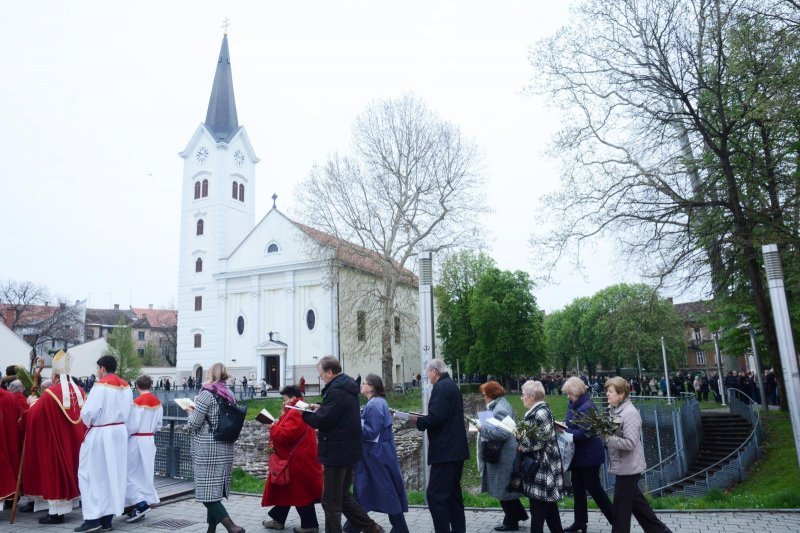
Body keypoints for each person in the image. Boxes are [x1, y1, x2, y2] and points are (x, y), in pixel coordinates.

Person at [301, 356, 384, 533]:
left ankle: (366, 528)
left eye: (321, 374)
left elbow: (324, 420)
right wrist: (321, 407)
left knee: (330, 501)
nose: (321, 378)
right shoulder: (347, 386)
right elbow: (336, 412)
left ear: (330, 373)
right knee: (343, 496)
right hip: (348, 450)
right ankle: (372, 528)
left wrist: (304, 413)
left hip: (336, 452)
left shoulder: (336, 391)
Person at [20, 351, 85, 524]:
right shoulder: (79, 391)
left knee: (55, 473)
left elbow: (33, 415)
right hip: (74, 443)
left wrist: (31, 402)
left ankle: (56, 513)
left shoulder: (51, 394)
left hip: (55, 443)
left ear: (55, 375)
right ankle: (60, 506)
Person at [604, 377, 672, 533]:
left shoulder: (630, 413)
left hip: (629, 467)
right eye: (607, 391)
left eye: (610, 391)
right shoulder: (614, 410)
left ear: (621, 394)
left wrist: (606, 438)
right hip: (622, 465)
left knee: (621, 507)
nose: (607, 394)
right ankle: (660, 531)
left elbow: (629, 443)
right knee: (637, 504)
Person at [185, 363, 245, 533]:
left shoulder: (206, 394)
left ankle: (231, 527)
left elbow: (194, 424)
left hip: (208, 447)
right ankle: (211, 529)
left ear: (210, 374)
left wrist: (190, 411)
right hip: (225, 445)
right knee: (214, 489)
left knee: (206, 492)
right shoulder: (229, 393)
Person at [411, 359, 469, 533]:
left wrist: (419, 421)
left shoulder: (441, 388)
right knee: (452, 495)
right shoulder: (451, 385)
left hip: (446, 452)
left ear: (435, 371)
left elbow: (437, 417)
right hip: (455, 450)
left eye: (428, 373)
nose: (427, 376)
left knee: (435, 496)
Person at [75, 355, 132, 532]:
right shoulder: (126, 386)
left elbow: (88, 413)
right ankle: (107, 519)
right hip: (119, 433)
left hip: (102, 432)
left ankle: (93, 518)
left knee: (91, 474)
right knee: (112, 475)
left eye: (98, 368)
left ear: (102, 368)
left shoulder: (100, 386)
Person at [345, 374, 409, 533]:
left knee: (368, 492)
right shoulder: (379, 403)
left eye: (364, 384)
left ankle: (351, 528)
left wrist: (354, 421)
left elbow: (369, 432)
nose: (361, 386)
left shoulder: (374, 405)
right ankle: (399, 528)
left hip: (374, 457)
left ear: (371, 387)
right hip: (380, 454)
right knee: (381, 492)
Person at [261, 385, 322, 533]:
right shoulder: (299, 408)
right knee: (286, 489)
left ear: (293, 398)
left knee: (300, 492)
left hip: (296, 461)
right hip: (299, 458)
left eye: (285, 399)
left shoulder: (295, 411)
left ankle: (310, 525)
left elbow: (288, 435)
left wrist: (272, 427)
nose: (283, 402)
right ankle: (278, 520)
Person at [560, 377, 613, 532]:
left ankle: (616, 520)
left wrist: (564, 430)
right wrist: (563, 424)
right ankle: (580, 522)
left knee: (594, 488)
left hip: (589, 456)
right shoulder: (574, 405)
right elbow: (571, 424)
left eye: (569, 393)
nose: (567, 396)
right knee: (578, 489)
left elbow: (584, 433)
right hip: (578, 455)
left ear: (575, 391)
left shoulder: (587, 407)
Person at [476, 380, 528, 531]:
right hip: (502, 452)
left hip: (504, 454)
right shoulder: (501, 404)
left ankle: (511, 523)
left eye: (484, 395)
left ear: (492, 395)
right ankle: (516, 516)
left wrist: (481, 428)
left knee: (503, 490)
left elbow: (503, 433)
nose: (483, 397)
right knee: (505, 488)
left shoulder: (500, 409)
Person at [518, 380, 564, 533]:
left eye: (523, 394)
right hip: (543, 462)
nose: (521, 397)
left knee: (538, 505)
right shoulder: (538, 410)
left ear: (531, 396)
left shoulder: (540, 412)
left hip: (542, 464)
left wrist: (521, 442)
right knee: (548, 504)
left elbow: (539, 440)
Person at [124, 375, 163, 523]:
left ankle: (140, 504)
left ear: (137, 386)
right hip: (149, 439)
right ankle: (139, 504)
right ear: (151, 385)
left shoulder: (136, 403)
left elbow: (131, 426)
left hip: (135, 439)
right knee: (145, 473)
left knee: (128, 473)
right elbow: (159, 425)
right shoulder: (158, 403)